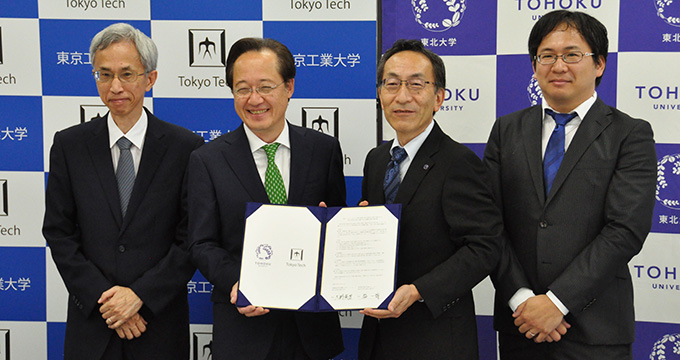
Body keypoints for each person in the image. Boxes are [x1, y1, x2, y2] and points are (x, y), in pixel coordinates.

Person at [484, 10, 657, 359]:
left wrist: (556, 303)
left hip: (597, 328)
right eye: (547, 56)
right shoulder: (507, 130)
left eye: (572, 54)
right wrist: (523, 301)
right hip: (522, 324)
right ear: (534, 66)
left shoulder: (630, 134)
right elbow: (488, 223)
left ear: (599, 64)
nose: (558, 66)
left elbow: (625, 229)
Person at [42, 23, 203, 360]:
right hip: (93, 323)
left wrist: (140, 296)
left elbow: (191, 236)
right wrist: (108, 301)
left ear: (150, 78)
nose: (115, 86)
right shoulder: (69, 145)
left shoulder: (185, 148)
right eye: (104, 74)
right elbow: (59, 232)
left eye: (127, 74)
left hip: (157, 323)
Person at [186, 37, 345, 360]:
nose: (254, 99)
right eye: (242, 88)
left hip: (310, 331)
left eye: (265, 87)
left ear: (289, 87)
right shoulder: (208, 159)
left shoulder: (323, 150)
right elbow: (201, 243)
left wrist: (335, 230)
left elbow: (336, 227)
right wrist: (238, 283)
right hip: (244, 329)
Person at [357, 39, 504, 360]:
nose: (403, 96)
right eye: (391, 84)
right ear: (380, 94)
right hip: (378, 337)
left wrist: (419, 290)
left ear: (438, 97)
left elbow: (486, 247)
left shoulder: (459, 162)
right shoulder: (376, 159)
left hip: (436, 337)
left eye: (416, 85)